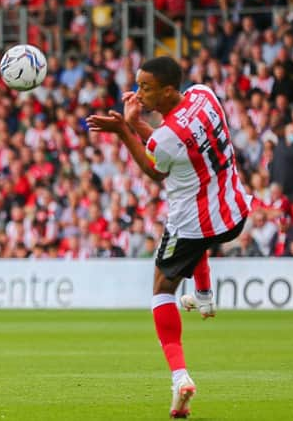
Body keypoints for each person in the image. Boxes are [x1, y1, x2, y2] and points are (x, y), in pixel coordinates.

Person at [86, 56, 252, 418]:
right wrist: (140, 126)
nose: (139, 92)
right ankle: (205, 297)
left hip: (193, 223)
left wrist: (125, 131)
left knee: (162, 288)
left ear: (168, 90)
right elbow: (175, 143)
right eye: (138, 84)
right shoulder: (205, 95)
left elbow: (154, 168)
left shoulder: (165, 137)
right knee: (201, 243)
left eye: (146, 87)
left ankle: (180, 378)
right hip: (236, 211)